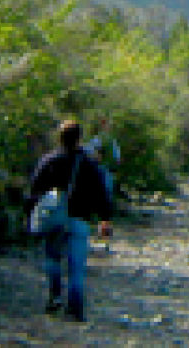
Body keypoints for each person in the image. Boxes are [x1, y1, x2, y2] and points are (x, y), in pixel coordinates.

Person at [26, 119, 114, 322]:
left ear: (60, 137)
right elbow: (101, 193)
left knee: (52, 259)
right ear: (80, 138)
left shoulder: (48, 161)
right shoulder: (89, 164)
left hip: (54, 218)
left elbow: (34, 191)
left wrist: (31, 217)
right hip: (79, 219)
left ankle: (55, 297)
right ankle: (75, 307)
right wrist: (105, 220)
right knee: (77, 266)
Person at [82, 116, 120, 199]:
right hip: (102, 169)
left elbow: (117, 158)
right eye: (107, 125)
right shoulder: (99, 139)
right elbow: (92, 153)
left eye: (109, 125)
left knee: (106, 192)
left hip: (106, 169)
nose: (108, 127)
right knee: (105, 192)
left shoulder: (111, 140)